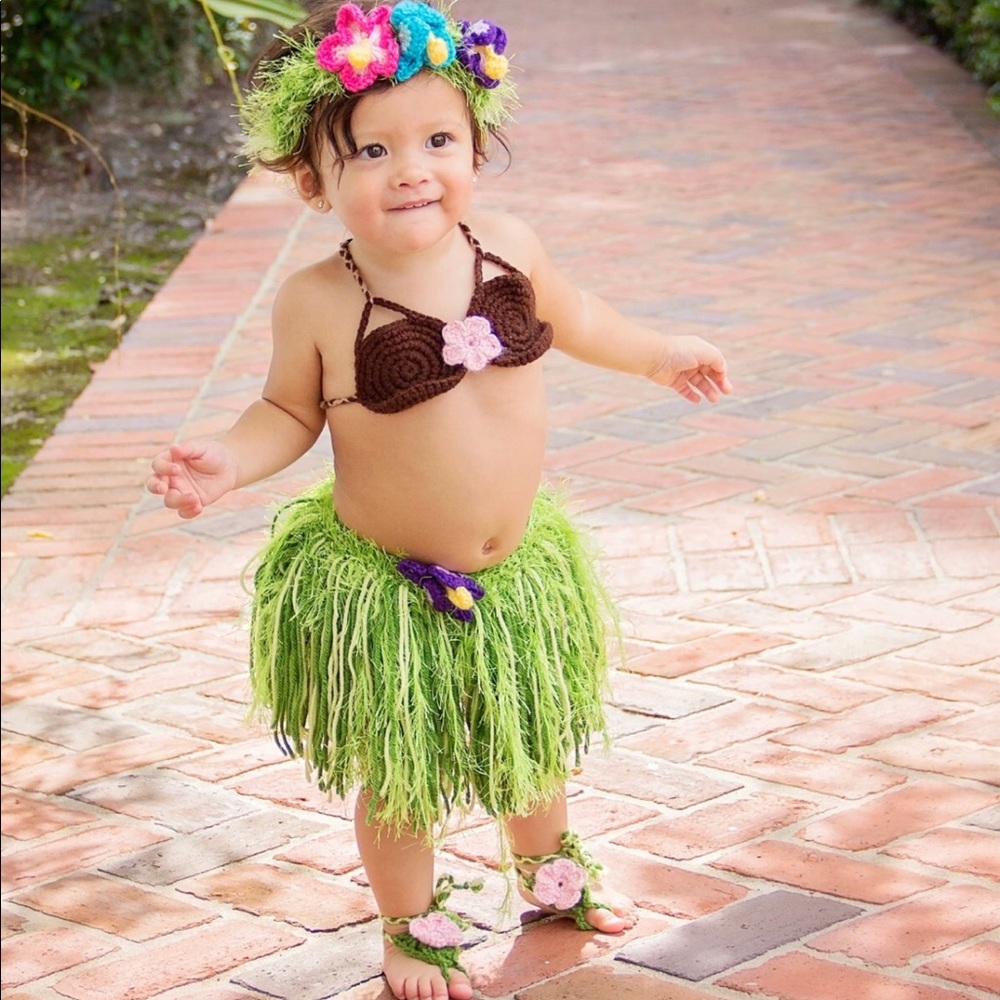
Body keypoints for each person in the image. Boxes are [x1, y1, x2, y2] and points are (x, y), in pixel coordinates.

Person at [147, 3, 732, 998]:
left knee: (529, 742)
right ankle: (410, 927)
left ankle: (548, 878)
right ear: (314, 182)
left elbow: (581, 317)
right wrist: (229, 462)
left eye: (437, 141)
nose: (410, 169)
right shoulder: (317, 299)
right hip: (395, 587)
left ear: (474, 146)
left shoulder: (508, 245)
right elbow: (285, 411)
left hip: (514, 575)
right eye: (372, 151)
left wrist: (657, 353)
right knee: (404, 772)